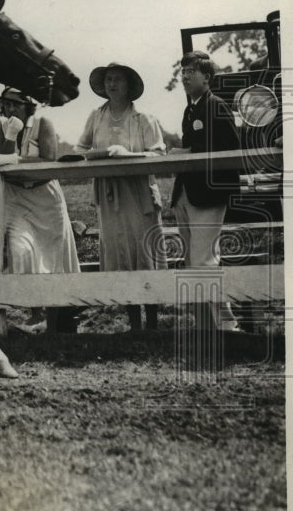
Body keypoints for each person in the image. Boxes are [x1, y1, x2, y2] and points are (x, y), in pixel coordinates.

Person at [76, 63, 167, 331]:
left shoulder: (143, 119)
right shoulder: (96, 117)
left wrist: (128, 156)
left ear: (129, 85)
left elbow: (159, 154)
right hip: (109, 195)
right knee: (121, 254)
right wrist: (92, 156)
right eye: (108, 80)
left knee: (143, 253)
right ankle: (134, 323)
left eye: (117, 79)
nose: (111, 84)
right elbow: (80, 146)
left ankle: (152, 323)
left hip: (138, 195)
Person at [0, 88, 80, 333]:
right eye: (6, 104)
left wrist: (15, 161)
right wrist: (10, 135)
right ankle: (35, 314)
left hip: (44, 197)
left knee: (53, 257)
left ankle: (56, 322)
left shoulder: (42, 123)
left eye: (16, 104)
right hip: (15, 196)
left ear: (29, 106)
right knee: (20, 249)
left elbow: (49, 159)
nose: (10, 109)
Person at [169, 51, 242, 331]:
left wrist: (187, 151)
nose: (185, 76)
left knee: (203, 259)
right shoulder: (191, 109)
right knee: (195, 260)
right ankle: (217, 323)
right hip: (186, 193)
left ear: (207, 77)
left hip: (209, 194)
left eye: (191, 71)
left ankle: (224, 326)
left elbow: (231, 147)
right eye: (183, 71)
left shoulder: (217, 106)